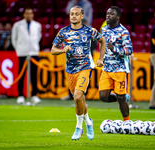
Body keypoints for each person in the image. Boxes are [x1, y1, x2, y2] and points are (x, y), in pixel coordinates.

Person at [51, 6, 106, 140]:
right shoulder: (63, 32)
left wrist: (100, 58)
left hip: (85, 67)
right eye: (71, 14)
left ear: (82, 16)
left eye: (76, 14)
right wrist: (63, 50)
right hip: (70, 70)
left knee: (77, 96)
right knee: (79, 100)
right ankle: (88, 121)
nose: (74, 16)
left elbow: (102, 41)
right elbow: (53, 50)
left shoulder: (89, 31)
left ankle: (78, 127)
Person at [99, 6, 133, 121]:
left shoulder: (123, 32)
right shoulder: (104, 29)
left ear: (118, 17)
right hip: (107, 68)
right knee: (103, 97)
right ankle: (121, 97)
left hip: (120, 69)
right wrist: (101, 58)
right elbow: (102, 44)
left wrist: (115, 49)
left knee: (121, 98)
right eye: (107, 13)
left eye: (112, 14)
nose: (108, 15)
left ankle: (127, 122)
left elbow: (129, 50)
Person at [11, 8, 42, 104]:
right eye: (27, 13)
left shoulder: (37, 25)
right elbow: (14, 38)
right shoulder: (17, 25)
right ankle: (20, 95)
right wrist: (19, 49)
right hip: (22, 53)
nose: (29, 15)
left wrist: (35, 48)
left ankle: (34, 95)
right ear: (24, 14)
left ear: (33, 14)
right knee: (21, 74)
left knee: (34, 75)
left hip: (33, 52)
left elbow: (38, 37)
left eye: (30, 13)